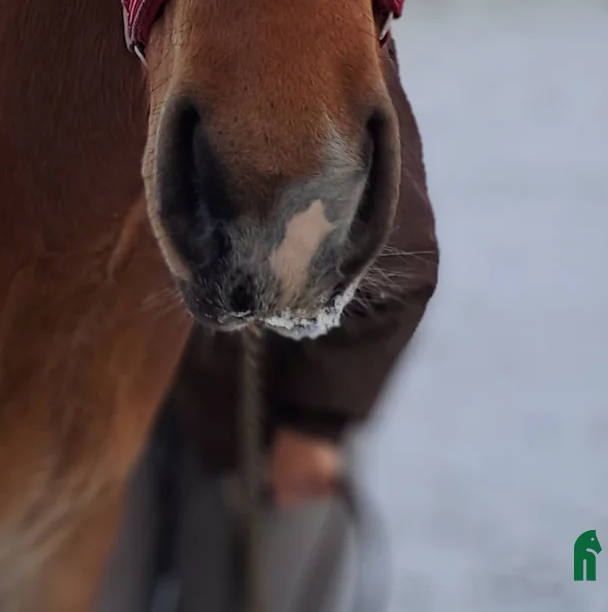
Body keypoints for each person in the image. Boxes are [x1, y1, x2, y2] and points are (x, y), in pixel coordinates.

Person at [96, 47, 438, 612]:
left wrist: (315, 424)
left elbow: (398, 265)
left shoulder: (315, 34)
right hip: (115, 408)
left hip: (265, 428)